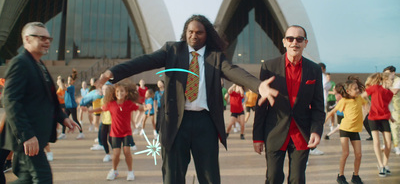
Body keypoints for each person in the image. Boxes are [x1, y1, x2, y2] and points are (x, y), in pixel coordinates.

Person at [95, 14, 276, 184]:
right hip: (175, 122)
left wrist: (259, 86)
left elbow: (235, 72)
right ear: (185, 33)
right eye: (190, 32)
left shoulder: (215, 57)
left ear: (207, 35)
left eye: (199, 32)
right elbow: (143, 61)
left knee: (209, 176)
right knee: (172, 176)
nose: (194, 36)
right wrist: (112, 73)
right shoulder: (172, 50)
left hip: (205, 123)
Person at [0, 21, 79, 183]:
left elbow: (49, 99)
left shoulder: (38, 64)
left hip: (36, 137)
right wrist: (26, 135)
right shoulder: (20, 63)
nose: (47, 41)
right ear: (27, 39)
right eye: (41, 37)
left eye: (48, 37)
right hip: (27, 138)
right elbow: (10, 100)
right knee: (43, 178)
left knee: (28, 179)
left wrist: (63, 118)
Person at [253, 25, 325, 184]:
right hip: (275, 131)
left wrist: (316, 130)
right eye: (290, 39)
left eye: (299, 39)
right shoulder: (269, 67)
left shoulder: (314, 69)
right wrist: (257, 137)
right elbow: (261, 105)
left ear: (305, 43)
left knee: (297, 179)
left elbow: (319, 106)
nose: (295, 43)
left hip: (301, 133)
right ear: (284, 42)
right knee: (273, 178)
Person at [325, 77, 368, 184]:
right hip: (344, 129)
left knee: (358, 154)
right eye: (355, 89)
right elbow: (332, 112)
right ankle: (341, 176)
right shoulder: (344, 101)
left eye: (358, 88)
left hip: (355, 130)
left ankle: (356, 176)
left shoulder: (359, 99)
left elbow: (366, 104)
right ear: (348, 91)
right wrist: (321, 124)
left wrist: (369, 113)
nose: (357, 90)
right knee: (346, 153)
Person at [101, 82, 144, 181]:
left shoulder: (129, 104)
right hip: (115, 133)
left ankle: (130, 171)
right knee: (116, 154)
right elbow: (101, 109)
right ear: (114, 93)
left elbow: (140, 108)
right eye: (117, 91)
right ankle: (114, 171)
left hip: (127, 133)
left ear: (126, 93)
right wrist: (89, 110)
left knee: (127, 152)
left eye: (122, 91)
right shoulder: (111, 104)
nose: (119, 93)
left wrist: (147, 107)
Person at [362, 72, 396, 177]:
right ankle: (380, 165)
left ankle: (385, 164)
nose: (393, 82)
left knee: (388, 144)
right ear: (385, 79)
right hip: (373, 118)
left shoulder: (390, 93)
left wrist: (390, 117)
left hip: (385, 118)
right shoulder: (375, 88)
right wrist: (368, 106)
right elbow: (362, 96)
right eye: (392, 80)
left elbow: (384, 105)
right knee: (376, 142)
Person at [383, 66, 400, 155]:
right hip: (386, 106)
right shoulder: (385, 81)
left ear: (393, 73)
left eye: (387, 73)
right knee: (385, 126)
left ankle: (397, 147)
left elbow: (395, 91)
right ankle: (386, 144)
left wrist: (386, 87)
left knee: (395, 127)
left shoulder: (398, 80)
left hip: (396, 107)